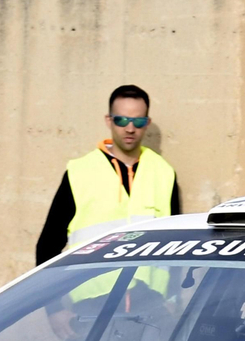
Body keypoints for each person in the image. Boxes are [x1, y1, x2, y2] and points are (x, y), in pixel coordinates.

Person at [35, 84, 181, 264]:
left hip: (149, 290)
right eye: (121, 120)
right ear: (108, 120)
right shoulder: (79, 172)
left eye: (138, 121)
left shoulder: (163, 172)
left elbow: (177, 241)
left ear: (147, 123)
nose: (130, 128)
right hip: (90, 289)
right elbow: (48, 245)